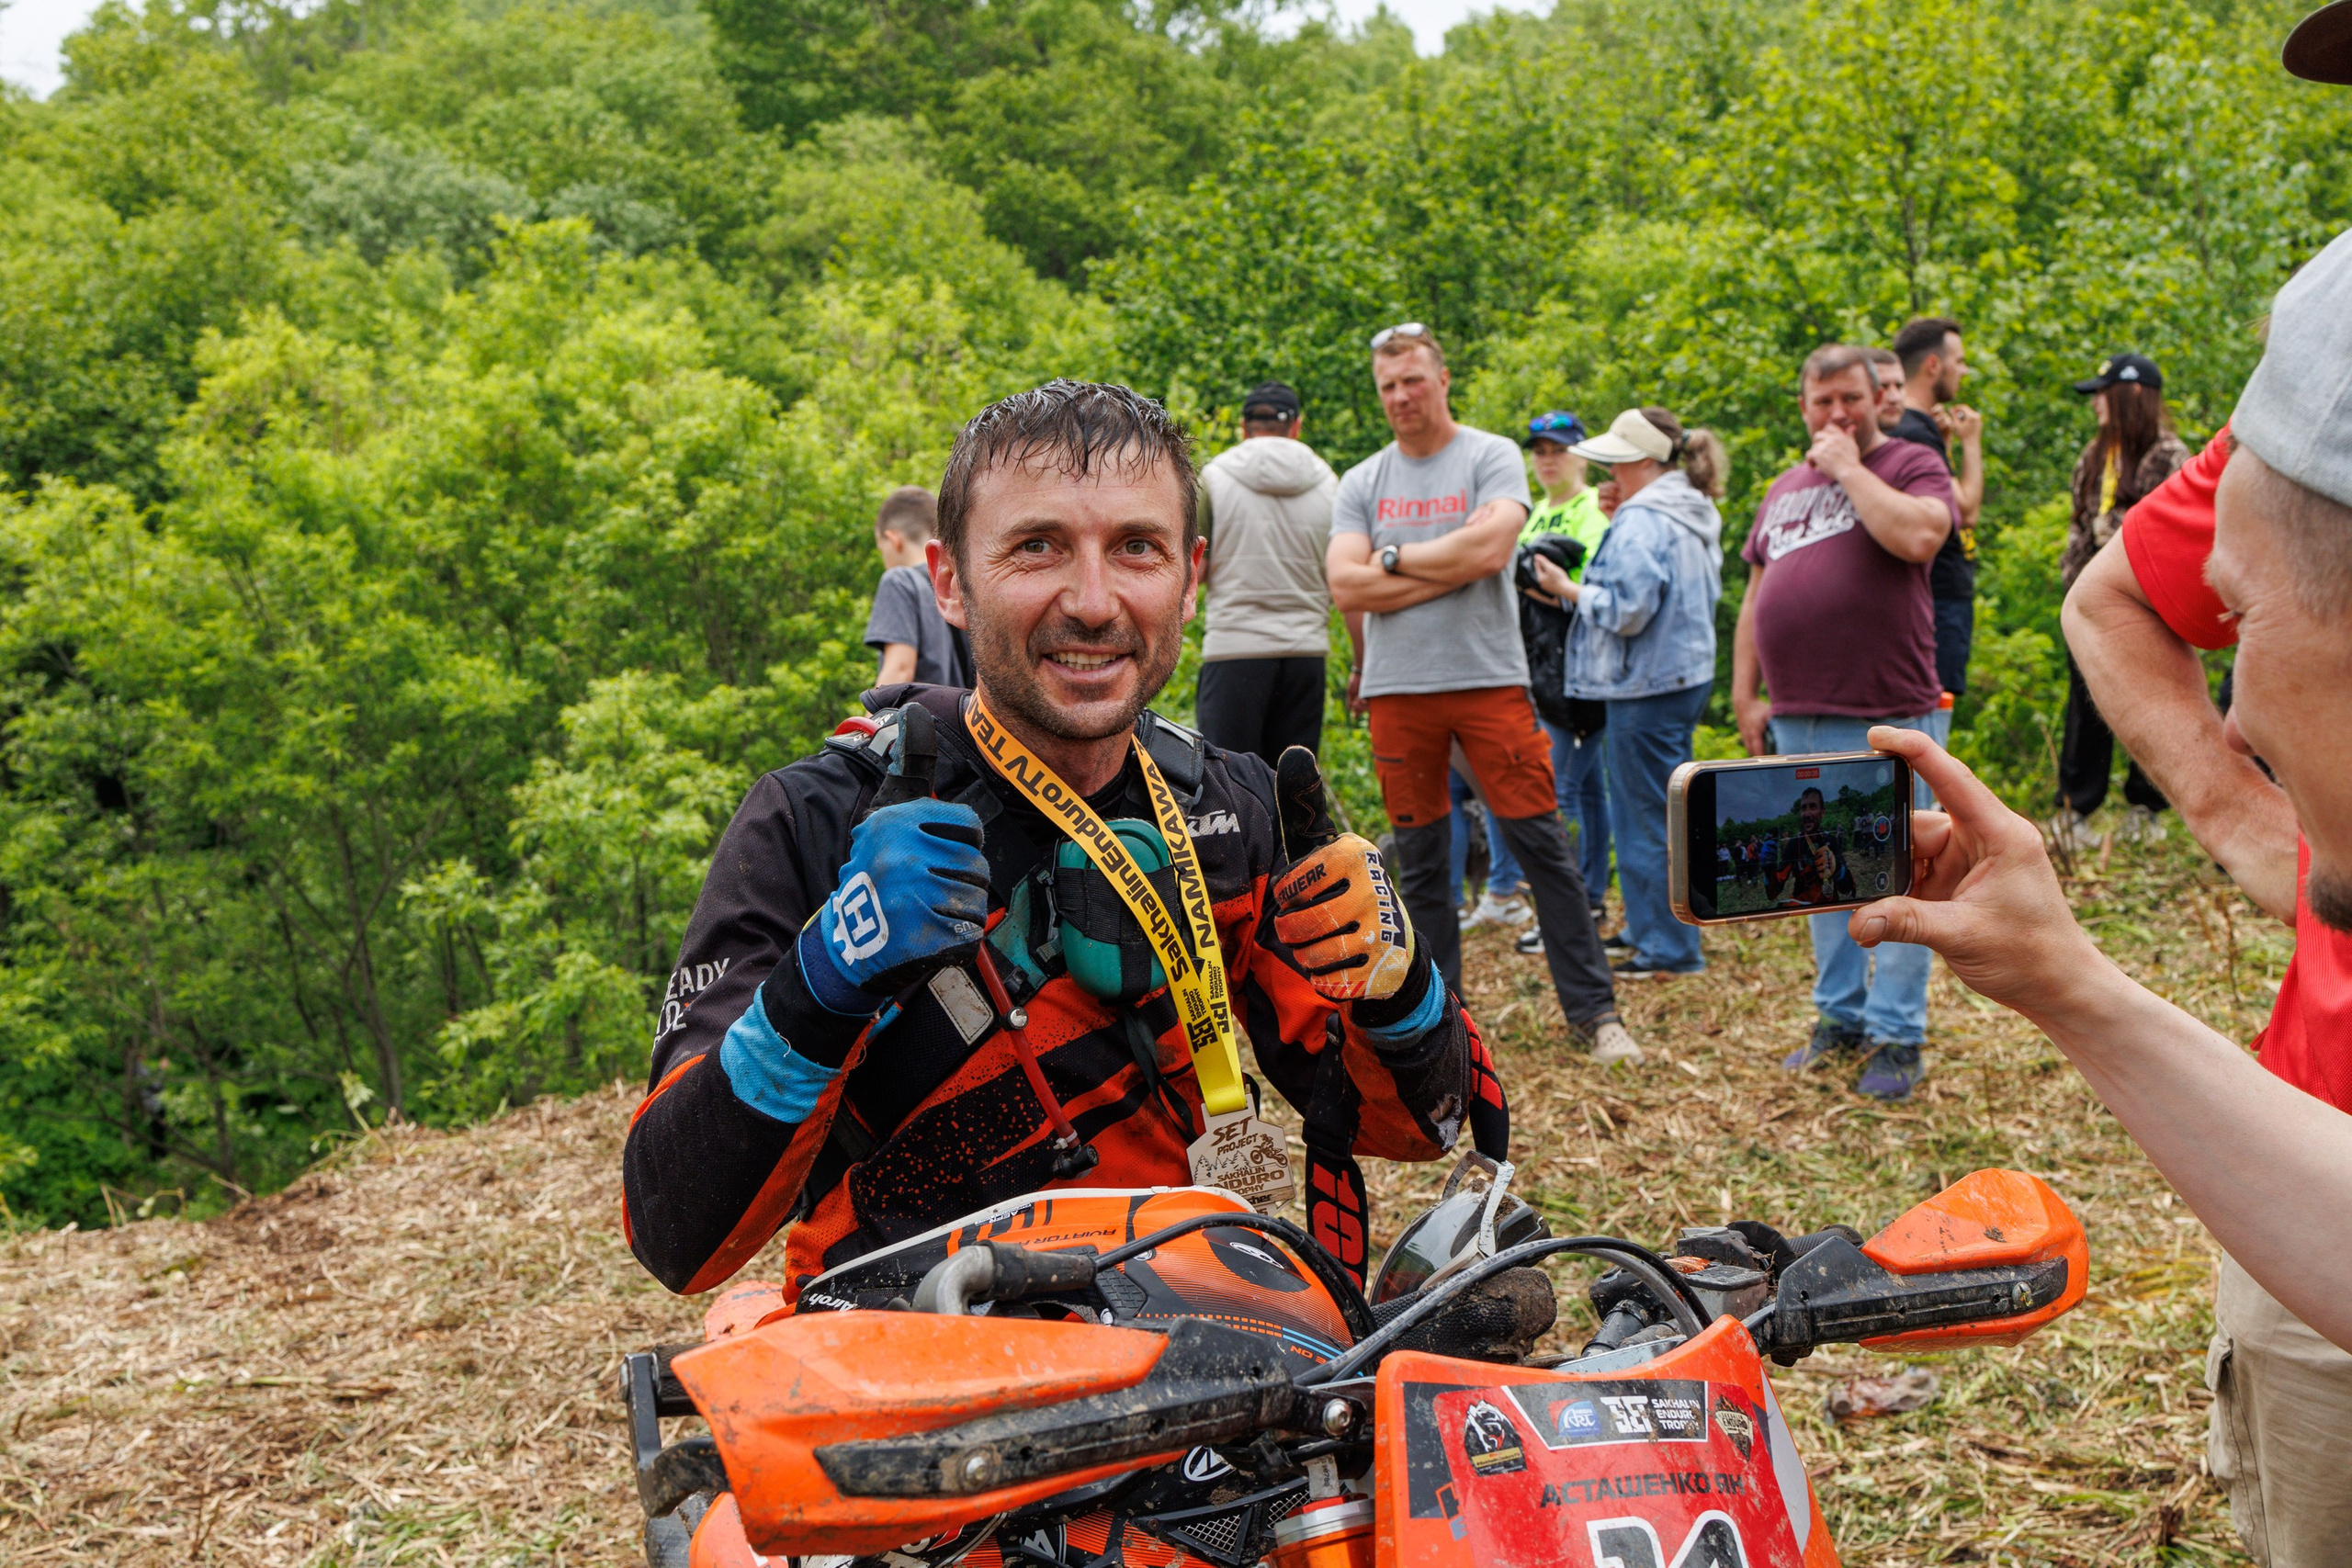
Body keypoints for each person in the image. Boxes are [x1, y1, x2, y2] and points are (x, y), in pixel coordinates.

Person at [624, 379, 1496, 1300]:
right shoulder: (816, 820)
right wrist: (822, 983)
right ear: (950, 581)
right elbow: (676, 1234)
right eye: (1037, 547)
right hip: (909, 1349)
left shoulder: (1233, 805)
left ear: (1191, 579)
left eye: (1136, 549)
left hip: (1187, 1325)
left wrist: (1401, 990)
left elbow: (1420, 1129)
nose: (1092, 600)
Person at [2063, 224, 2352, 1563]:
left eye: (2242, 611)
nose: (2235, 711)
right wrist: (2257, 829)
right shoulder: (2317, 402)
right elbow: (2116, 593)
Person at [1326, 324, 1637, 1066]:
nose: (1401, 396)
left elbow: (1494, 549)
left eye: (1413, 381)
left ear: (1442, 379)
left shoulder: (1490, 455)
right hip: (1400, 690)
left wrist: (1391, 561)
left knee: (1541, 848)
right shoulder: (1363, 480)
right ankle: (1441, 1026)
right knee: (1425, 865)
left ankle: (1596, 1015)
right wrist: (1448, 563)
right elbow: (1344, 583)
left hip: (1489, 682)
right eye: (1388, 386)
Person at [1732, 344, 1958, 1100]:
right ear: (1803, 406)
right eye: (1822, 401)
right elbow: (1758, 597)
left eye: (1850, 400)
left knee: (1900, 872)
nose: (1836, 414)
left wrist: (1848, 467)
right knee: (1817, 878)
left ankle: (1898, 1034)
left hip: (1890, 711)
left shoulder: (1909, 465)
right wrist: (1746, 692)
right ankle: (1839, 1017)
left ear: (1876, 401)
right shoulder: (1782, 489)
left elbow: (1921, 536)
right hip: (1797, 711)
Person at [1527, 407, 1728, 979]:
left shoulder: (1645, 518)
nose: (1608, 468)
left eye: (1617, 457)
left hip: (1645, 683)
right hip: (1681, 677)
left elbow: (1628, 611)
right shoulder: (1689, 507)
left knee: (1643, 816)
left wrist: (1567, 588)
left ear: (1641, 459)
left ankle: (1668, 948)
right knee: (1667, 807)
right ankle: (1649, 929)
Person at [2051, 355, 2189, 843]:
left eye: (2102, 394)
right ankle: (2075, 809)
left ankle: (2146, 809)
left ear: (2131, 395)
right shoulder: (2096, 455)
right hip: (2089, 605)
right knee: (2085, 704)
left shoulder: (2171, 457)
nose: (2095, 405)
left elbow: (2165, 536)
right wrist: (2075, 594)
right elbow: (2077, 525)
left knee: (2151, 704)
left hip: (2148, 607)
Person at [1194, 381, 1342, 771]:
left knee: (1226, 786)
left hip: (1234, 652)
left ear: (1244, 427)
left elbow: (1197, 569)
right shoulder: (1330, 483)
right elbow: (1342, 575)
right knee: (1294, 791)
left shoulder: (1214, 477)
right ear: (1296, 426)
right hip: (1306, 658)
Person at [1520, 412, 1613, 935]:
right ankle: (1592, 896)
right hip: (1541, 667)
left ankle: (1573, 902)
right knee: (1589, 788)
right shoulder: (1534, 513)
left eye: (1558, 449)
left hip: (1577, 667)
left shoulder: (1590, 513)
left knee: (1562, 789)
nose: (1548, 459)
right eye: (1540, 450)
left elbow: (1582, 592)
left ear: (1580, 453)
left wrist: (1530, 582)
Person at [1886, 317, 1984, 706]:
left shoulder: (1919, 430)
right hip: (1936, 603)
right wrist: (1971, 444)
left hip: (1938, 599)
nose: (1964, 370)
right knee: (1929, 717)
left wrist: (1944, 446)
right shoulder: (1913, 430)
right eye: (1958, 361)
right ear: (1933, 365)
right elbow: (1966, 511)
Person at [865, 486, 971, 688]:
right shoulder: (959, 585)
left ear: (894, 540)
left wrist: (867, 720)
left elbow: (900, 671)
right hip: (961, 717)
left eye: (882, 549)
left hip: (918, 717)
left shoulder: (900, 581)